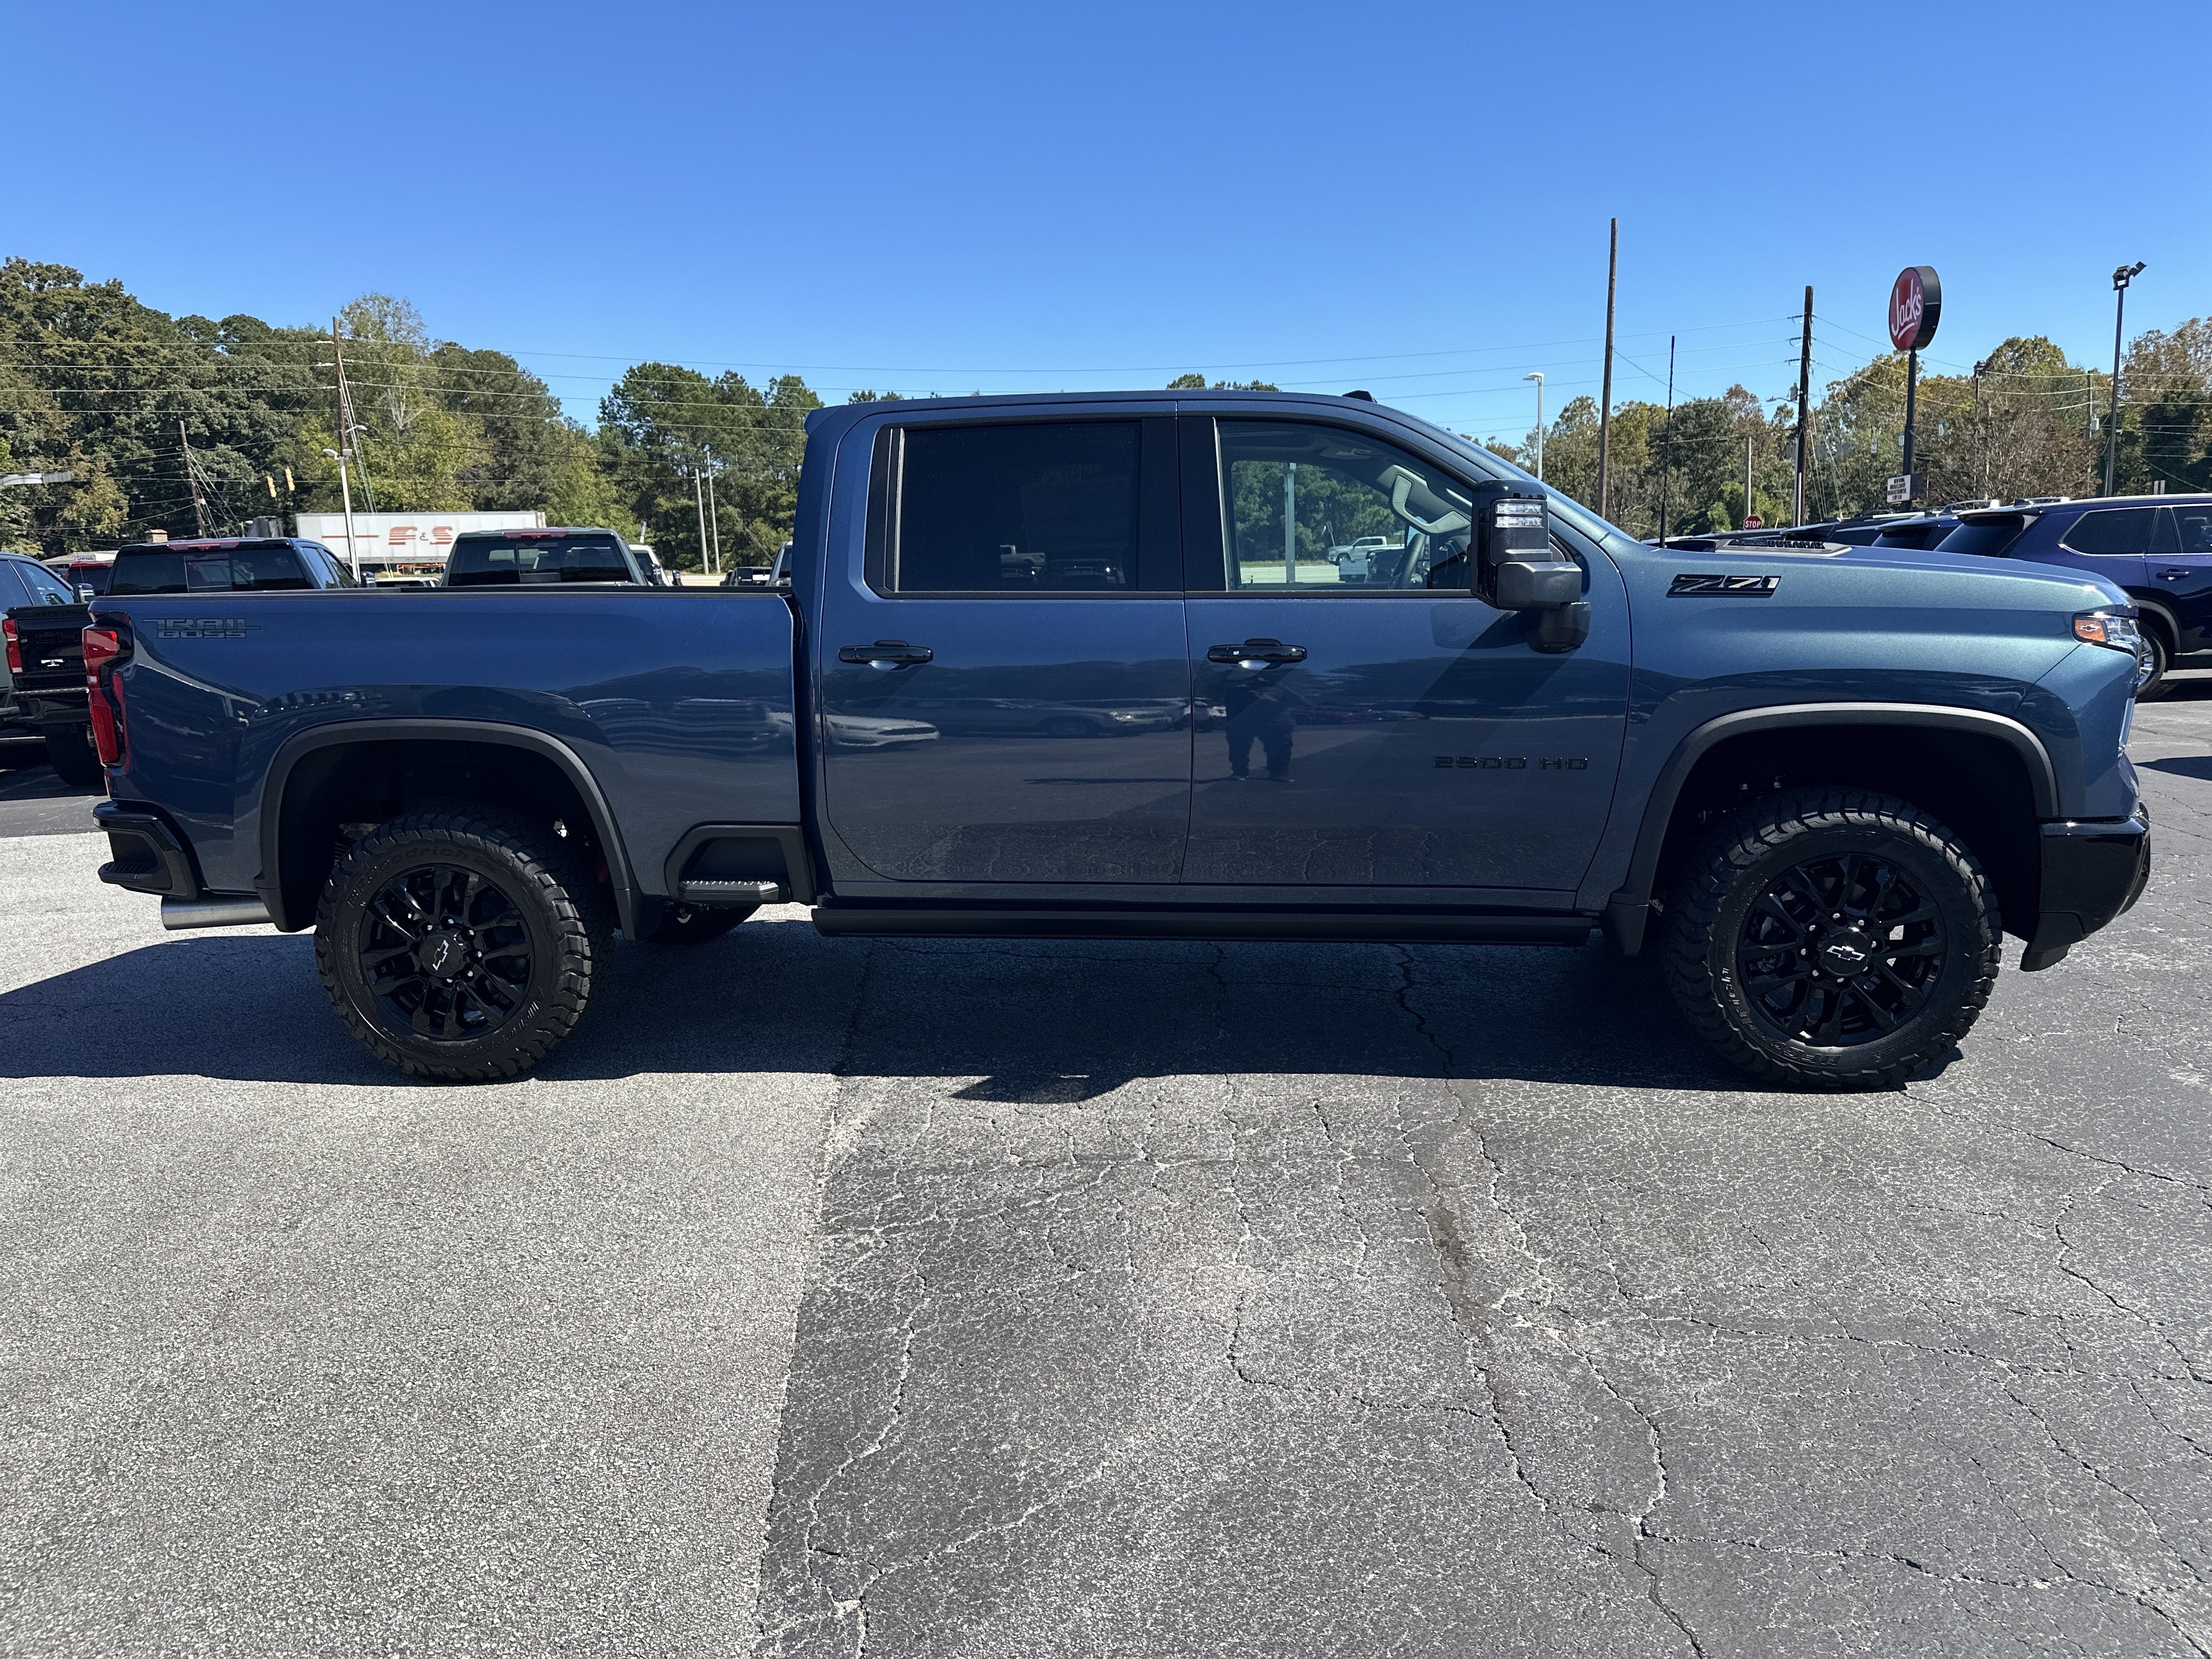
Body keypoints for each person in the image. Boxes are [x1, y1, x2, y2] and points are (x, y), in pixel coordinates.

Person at [1222, 668, 1306, 782]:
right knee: (1238, 748)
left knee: (1279, 748)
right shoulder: (1236, 689)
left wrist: (1271, 699)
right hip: (1243, 723)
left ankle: (1279, 773)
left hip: (1274, 723)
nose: (1257, 680)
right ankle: (1239, 772)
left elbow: (1302, 702)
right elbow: (1229, 705)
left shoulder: (1278, 688)